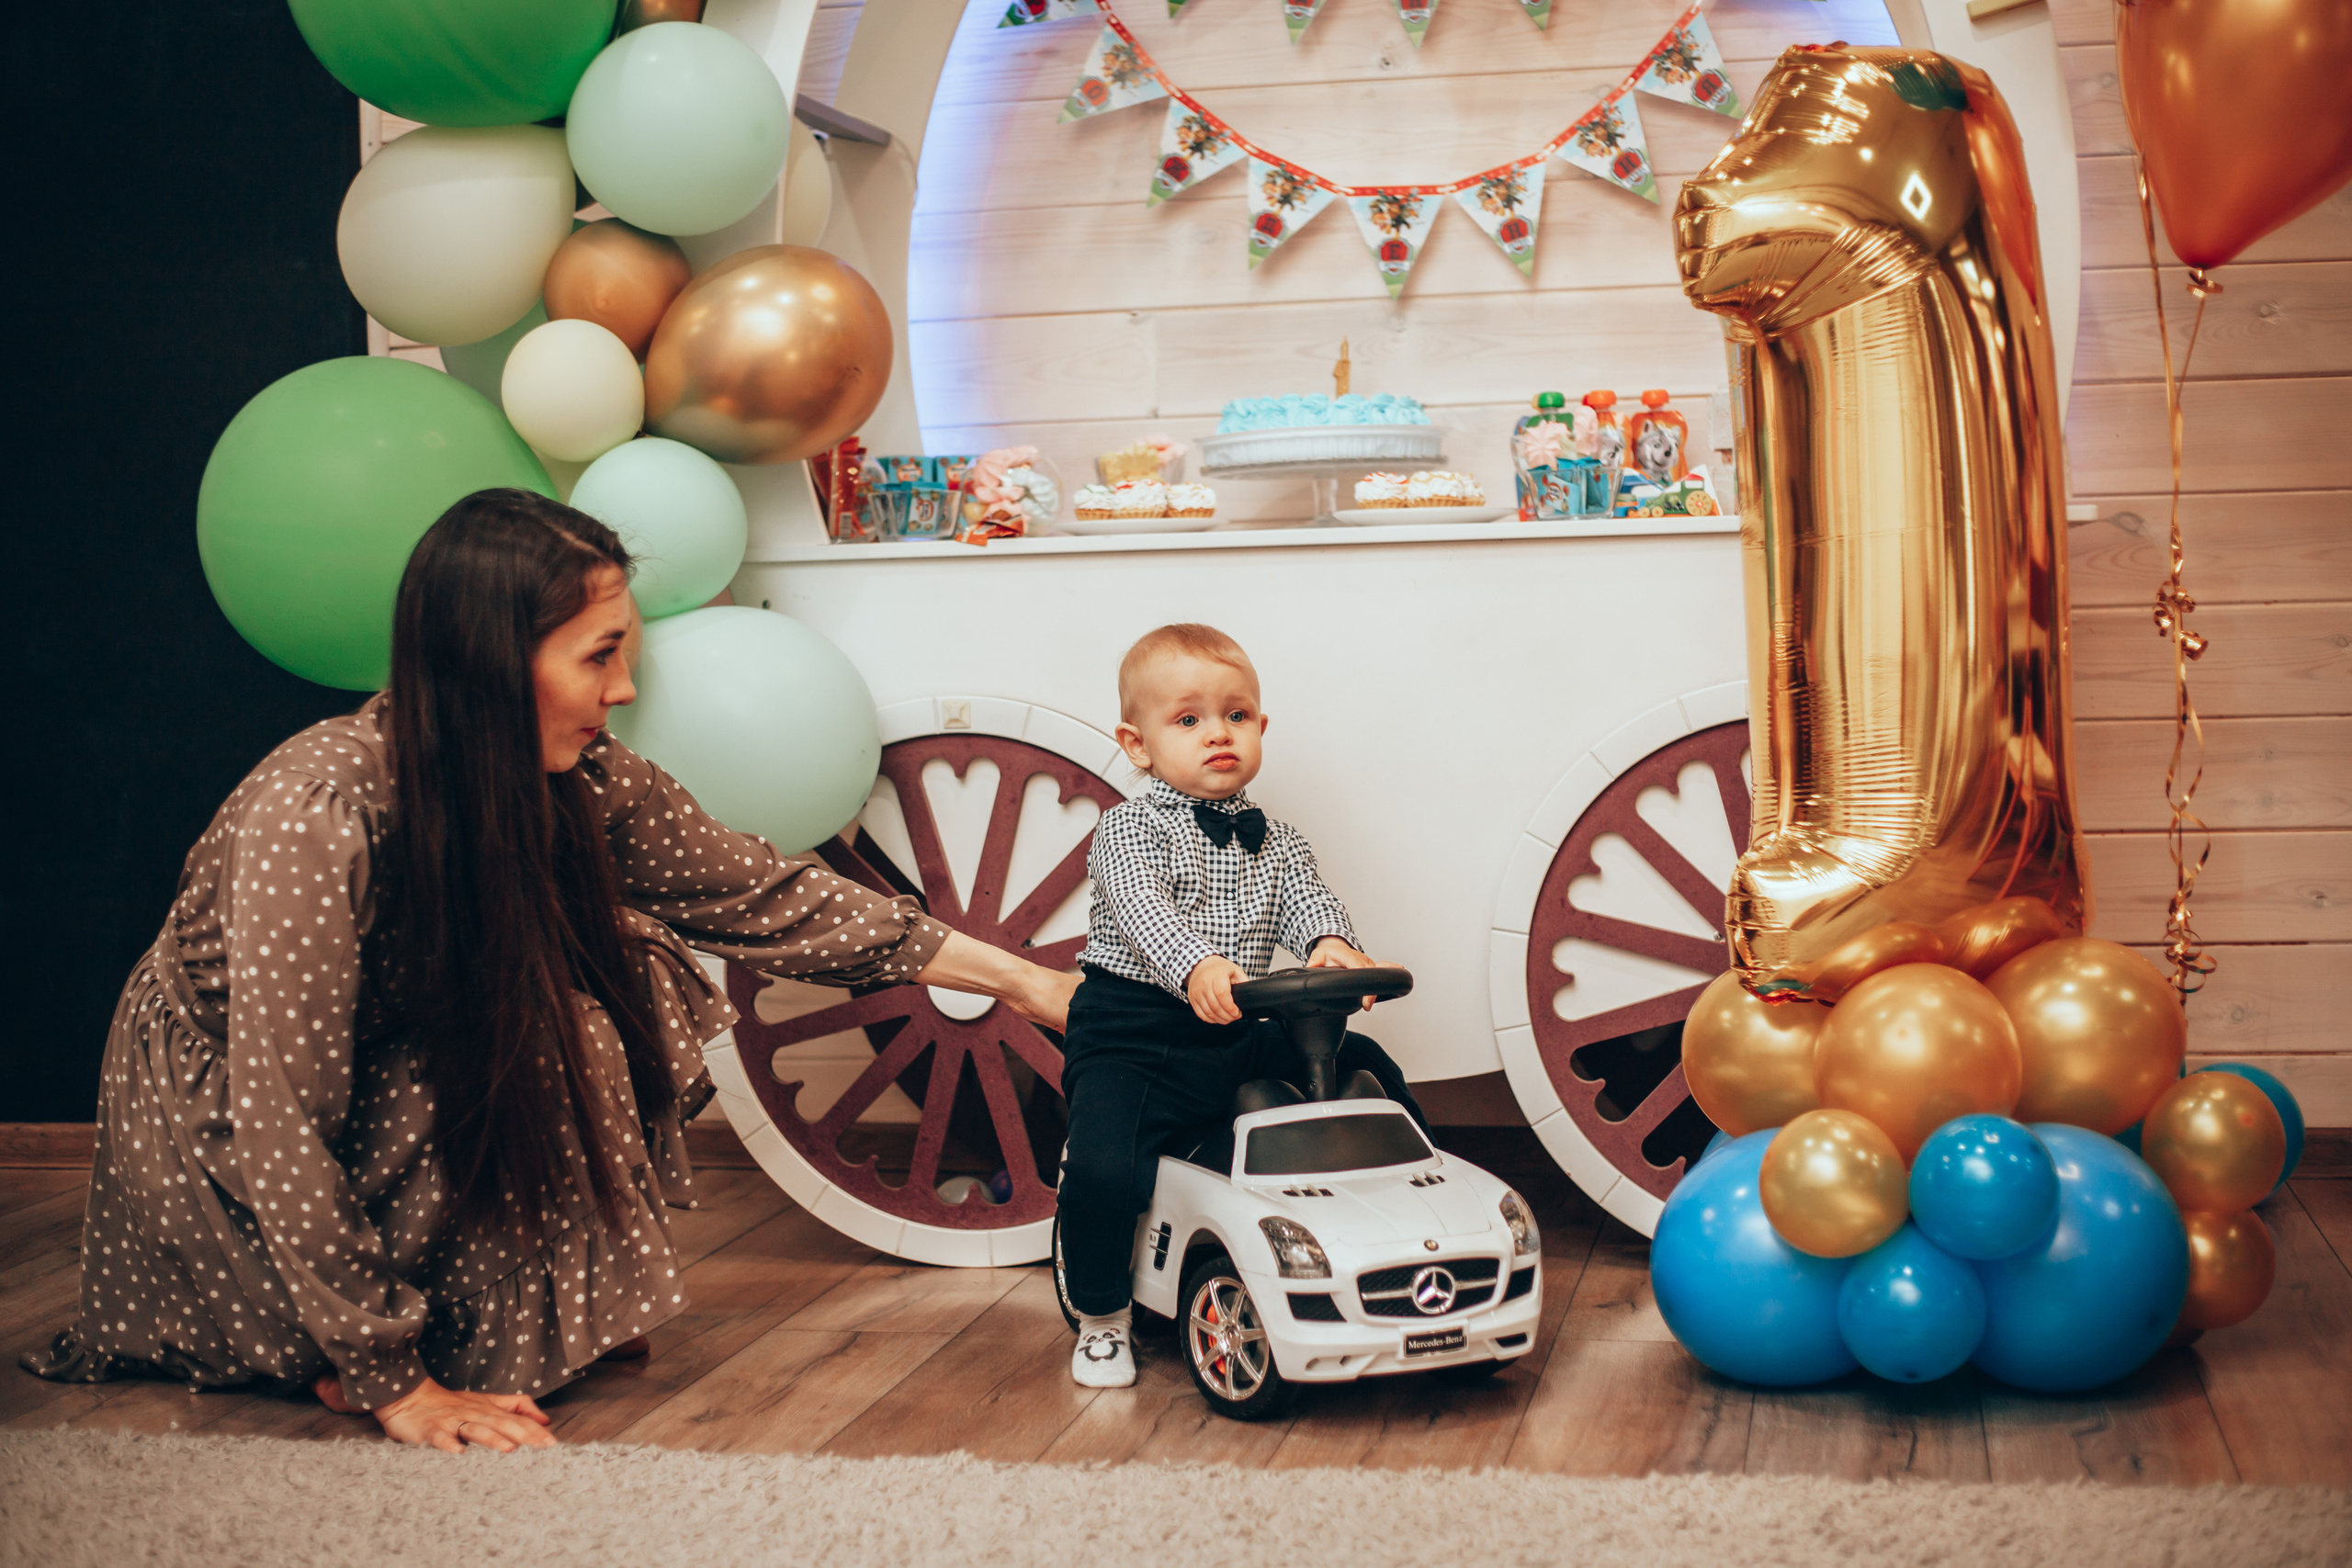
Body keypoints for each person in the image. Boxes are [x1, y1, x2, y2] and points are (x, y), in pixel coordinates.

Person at [22, 489, 1076, 1452]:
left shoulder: (571, 776)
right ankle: (339, 1341)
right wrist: (395, 1384)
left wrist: (1027, 984)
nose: (622, 689)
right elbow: (282, 1113)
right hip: (229, 1118)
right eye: (599, 656)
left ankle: (511, 1310)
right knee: (535, 1035)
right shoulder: (320, 813)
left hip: (382, 1048)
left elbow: (762, 896)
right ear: (490, 664)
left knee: (616, 988)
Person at [1057, 623, 1423, 1389]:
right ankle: (1099, 1316)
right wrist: (1195, 965)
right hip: (1134, 1033)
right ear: (1138, 743)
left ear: (1260, 727)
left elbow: (1305, 900)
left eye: (1236, 715)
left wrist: (1331, 944)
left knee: (1365, 1061)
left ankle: (1406, 1211)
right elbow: (1139, 908)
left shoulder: (1279, 840)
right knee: (1105, 1164)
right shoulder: (1127, 831)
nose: (1217, 734)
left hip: (1233, 1029)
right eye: (1188, 720)